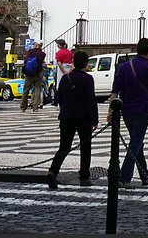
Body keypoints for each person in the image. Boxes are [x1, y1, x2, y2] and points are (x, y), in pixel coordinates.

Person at [112, 37, 148, 187]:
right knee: (135, 142)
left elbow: (115, 89)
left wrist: (111, 110)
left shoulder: (123, 67)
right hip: (142, 109)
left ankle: (144, 175)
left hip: (126, 110)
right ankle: (124, 177)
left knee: (137, 141)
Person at [48, 49, 98, 189]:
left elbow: (60, 98)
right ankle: (84, 177)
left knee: (64, 147)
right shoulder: (88, 79)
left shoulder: (65, 78)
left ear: (74, 63)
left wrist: (65, 109)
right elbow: (91, 100)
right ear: (86, 64)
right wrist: (95, 119)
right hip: (83, 117)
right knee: (85, 147)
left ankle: (53, 171)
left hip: (66, 116)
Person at [21, 43, 46, 112]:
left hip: (29, 73)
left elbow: (25, 60)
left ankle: (23, 106)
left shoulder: (30, 51)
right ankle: (35, 107)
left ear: (35, 45)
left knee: (26, 89)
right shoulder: (43, 54)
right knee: (37, 89)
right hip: (38, 72)